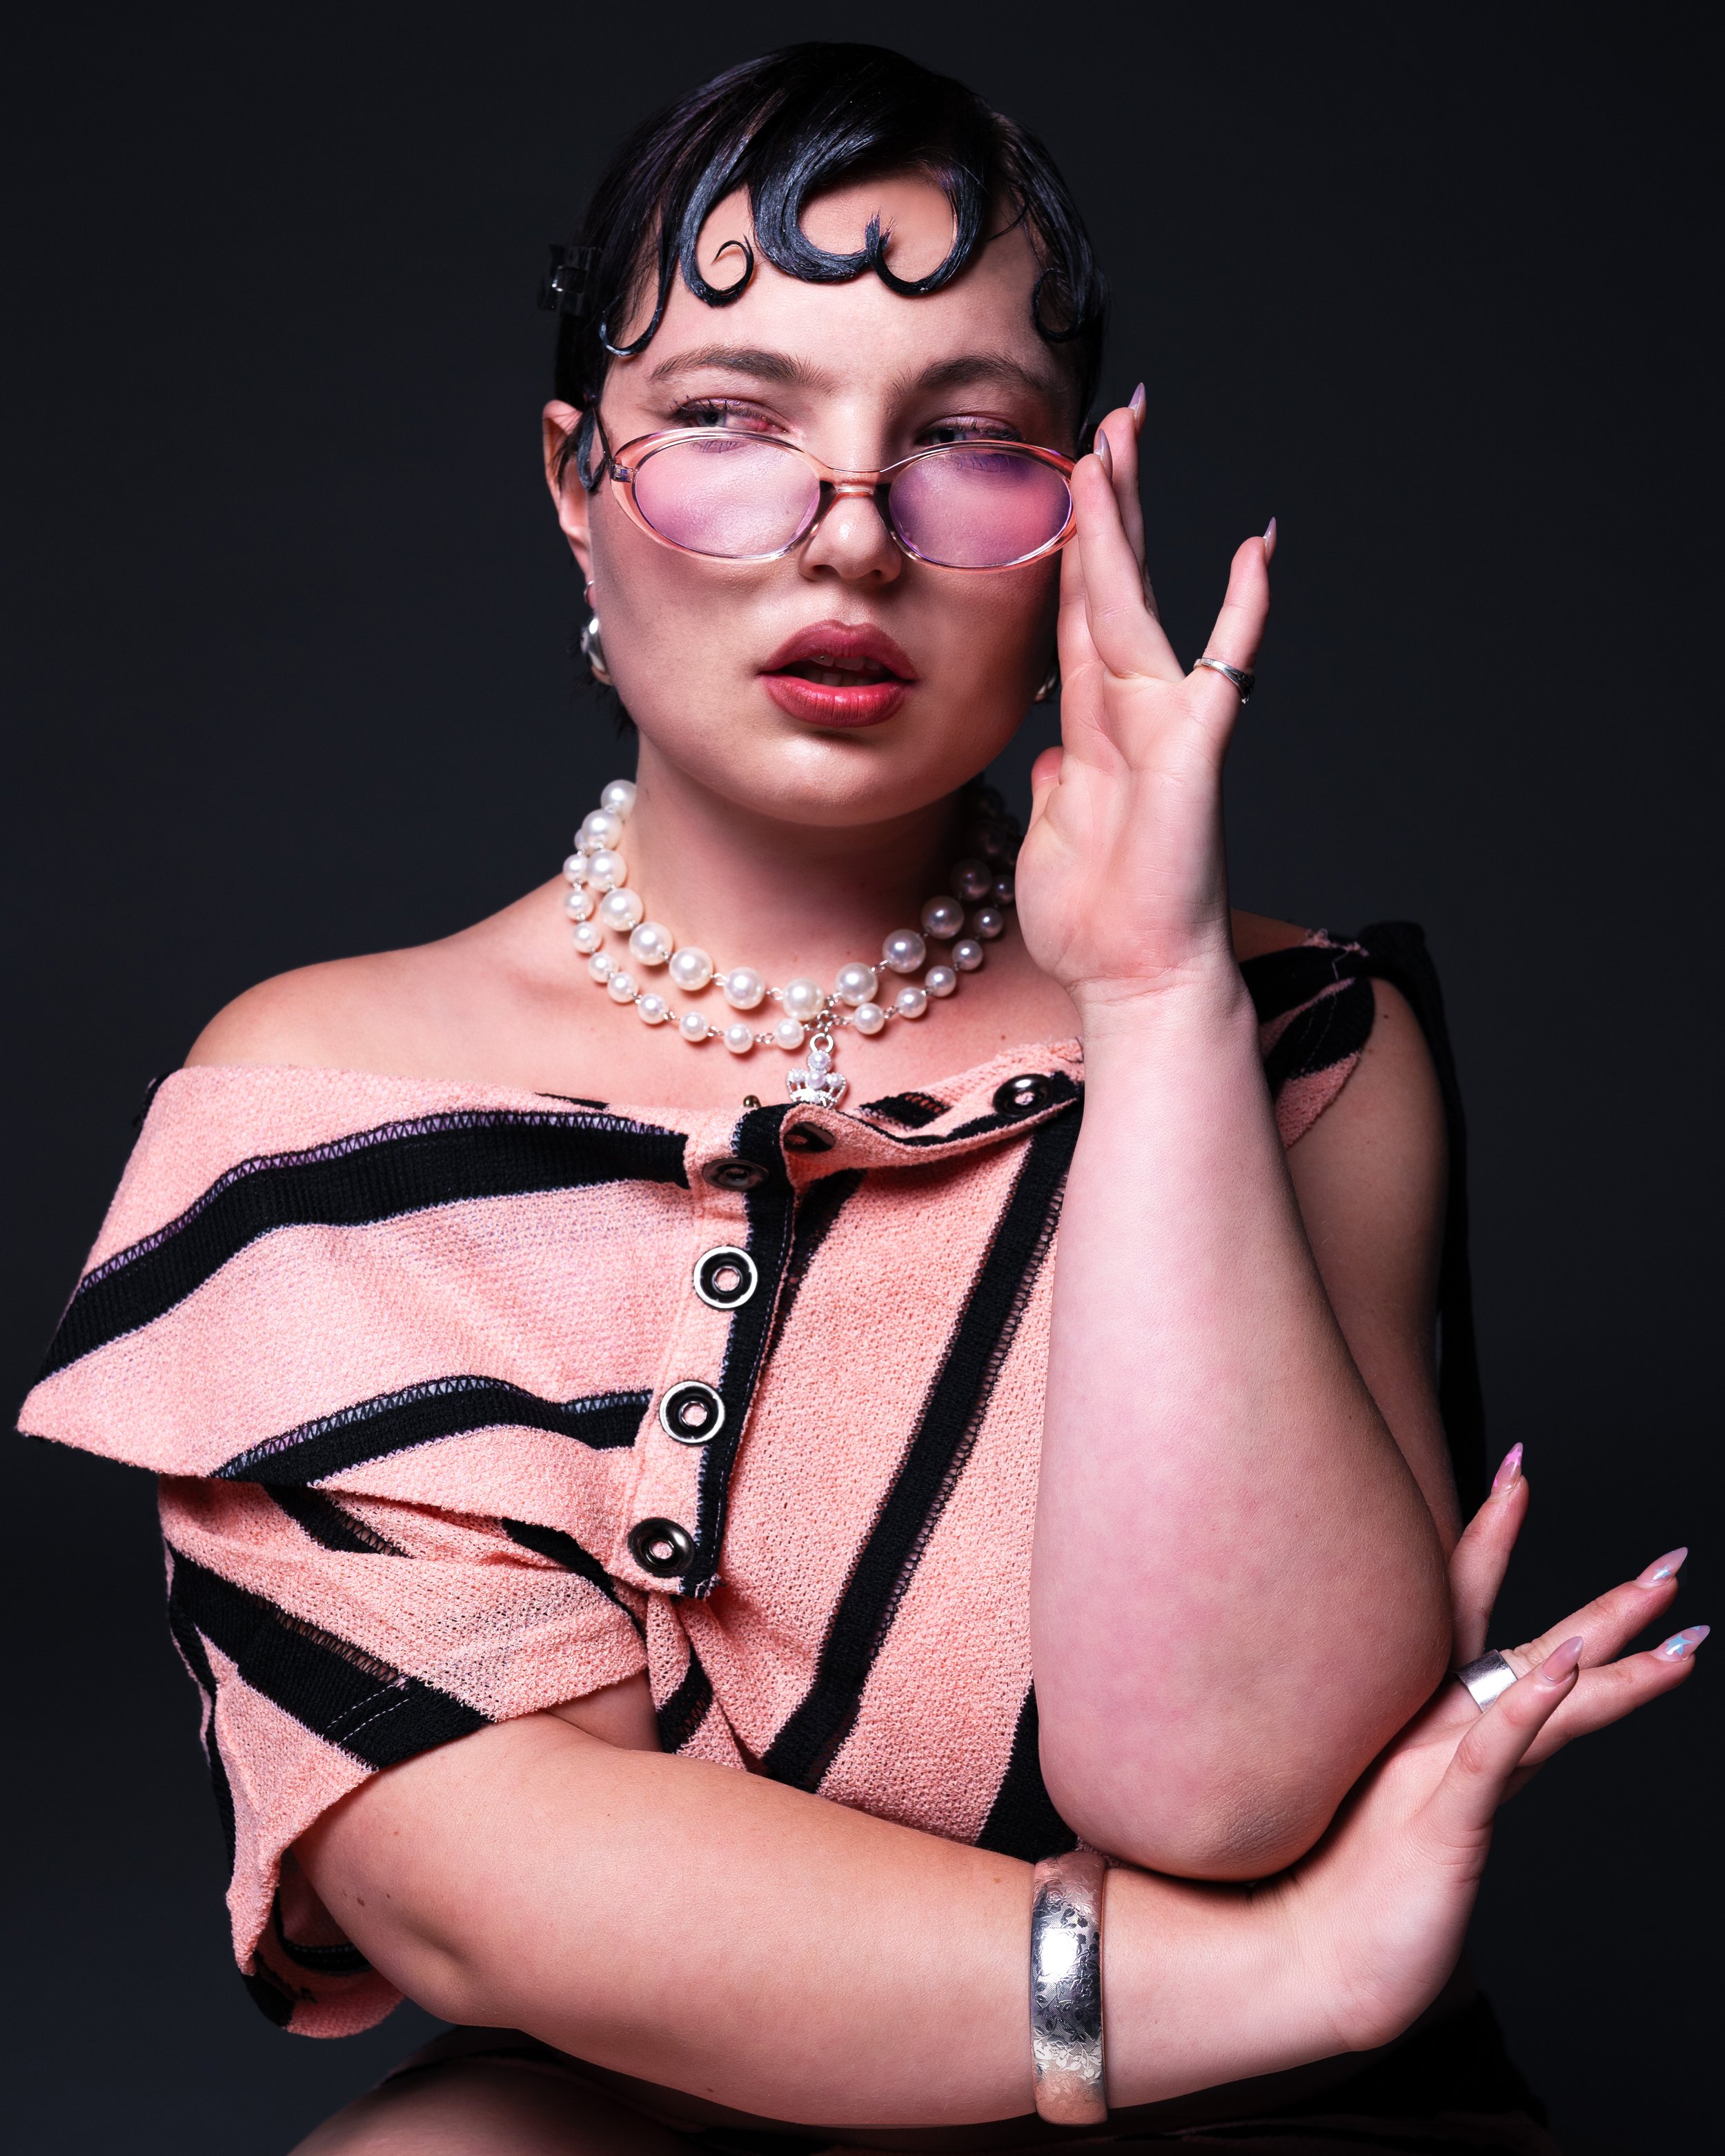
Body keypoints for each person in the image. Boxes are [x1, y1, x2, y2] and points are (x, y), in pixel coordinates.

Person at [19, 43, 1702, 2156]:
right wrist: (1282, 1975)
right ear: (571, 477)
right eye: (729, 422)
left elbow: (1227, 1786)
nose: (846, 536)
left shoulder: (1291, 1034)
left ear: (1082, 510)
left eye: (967, 444)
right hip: (694, 2083)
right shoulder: (326, 1106)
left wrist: (1154, 993)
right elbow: (466, 1874)